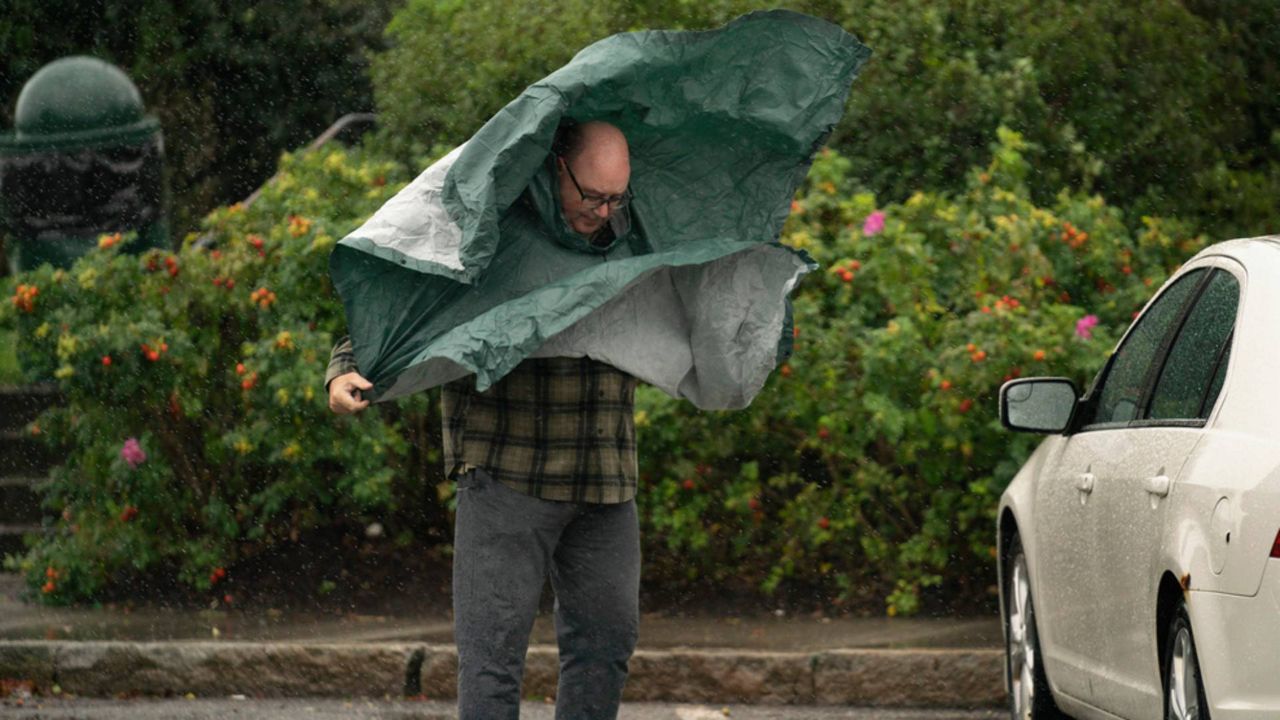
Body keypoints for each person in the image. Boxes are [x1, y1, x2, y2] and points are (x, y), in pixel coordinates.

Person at [326, 121, 641, 720]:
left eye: (616, 198)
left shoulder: (632, 230)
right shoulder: (495, 223)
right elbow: (411, 292)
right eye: (593, 196)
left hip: (605, 475)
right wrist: (347, 366)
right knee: (493, 662)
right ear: (557, 168)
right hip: (506, 469)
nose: (604, 211)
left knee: (605, 649)